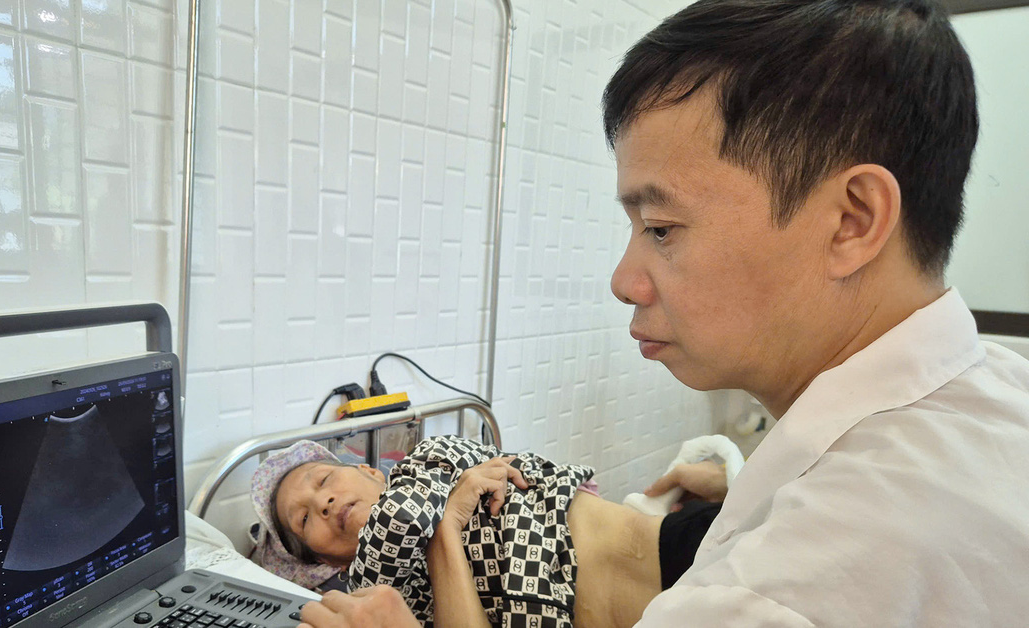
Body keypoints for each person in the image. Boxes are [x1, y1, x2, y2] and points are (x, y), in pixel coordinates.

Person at [298, 0, 1029, 625]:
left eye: (662, 229)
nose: (624, 280)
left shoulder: (782, 588)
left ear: (851, 221)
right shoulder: (992, 397)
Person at [253, 438, 723, 627]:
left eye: (323, 480)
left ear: (374, 473)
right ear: (327, 563)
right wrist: (445, 527)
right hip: (678, 608)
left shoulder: (433, 460)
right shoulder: (386, 600)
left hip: (693, 542)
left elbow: (529, 474)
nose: (323, 501)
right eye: (305, 519)